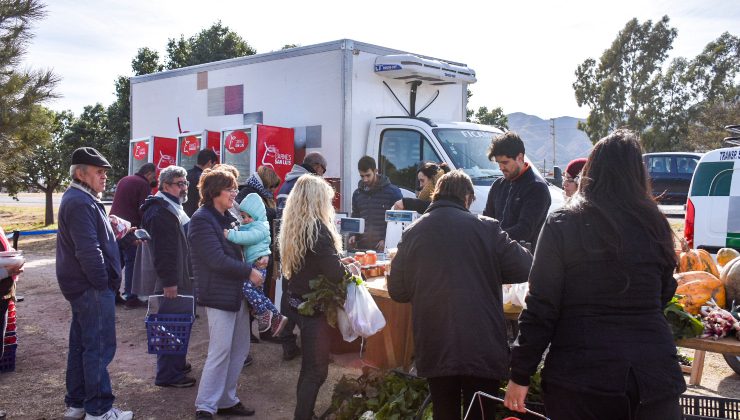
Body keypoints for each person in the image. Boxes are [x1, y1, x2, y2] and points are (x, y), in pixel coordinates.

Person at [504, 129, 686, 420]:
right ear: (638, 175)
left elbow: (541, 305)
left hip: (583, 378)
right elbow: (665, 291)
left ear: (591, 171)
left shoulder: (564, 222)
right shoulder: (656, 224)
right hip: (654, 377)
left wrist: (520, 374)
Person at [387, 170, 532, 420]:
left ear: (436, 195)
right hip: (481, 344)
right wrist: (490, 271)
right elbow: (525, 266)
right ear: (467, 198)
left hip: (435, 343)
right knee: (480, 413)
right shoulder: (486, 228)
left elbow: (398, 291)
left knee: (444, 412)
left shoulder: (413, 232)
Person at [56, 147, 133, 420]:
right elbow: (88, 251)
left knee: (82, 345)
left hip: (84, 287)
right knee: (99, 347)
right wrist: (104, 283)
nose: (104, 178)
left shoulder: (82, 199)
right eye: (99, 172)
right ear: (81, 173)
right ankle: (99, 410)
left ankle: (78, 404)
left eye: (104, 173)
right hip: (90, 287)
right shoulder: (79, 201)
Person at [278, 174, 353, 420]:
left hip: (297, 303)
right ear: (316, 200)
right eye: (327, 200)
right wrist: (348, 269)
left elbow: (314, 263)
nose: (329, 205)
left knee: (309, 367)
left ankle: (305, 414)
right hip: (313, 310)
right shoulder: (318, 230)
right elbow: (334, 274)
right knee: (316, 371)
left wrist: (338, 260)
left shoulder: (297, 225)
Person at [189, 167, 262, 420]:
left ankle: (226, 399)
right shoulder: (201, 220)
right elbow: (216, 260)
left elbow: (239, 247)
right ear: (214, 192)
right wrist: (249, 272)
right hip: (220, 294)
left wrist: (255, 259)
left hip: (236, 293)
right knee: (220, 351)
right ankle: (205, 407)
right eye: (230, 188)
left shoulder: (227, 217)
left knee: (240, 349)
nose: (235, 193)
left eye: (234, 188)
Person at [135, 165, 196, 388]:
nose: (184, 188)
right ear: (166, 185)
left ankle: (176, 364)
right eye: (180, 184)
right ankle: (168, 374)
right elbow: (164, 251)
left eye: (185, 183)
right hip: (172, 280)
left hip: (180, 275)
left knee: (178, 322)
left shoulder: (171, 206)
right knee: (171, 323)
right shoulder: (161, 212)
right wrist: (170, 283)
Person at [276, 152, 327, 361]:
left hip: (285, 246)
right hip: (303, 251)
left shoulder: (286, 184)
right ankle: (311, 348)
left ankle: (287, 342)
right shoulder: (307, 185)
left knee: (288, 294)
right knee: (307, 298)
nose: (323, 175)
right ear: (316, 167)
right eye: (323, 170)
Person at [226, 193, 288, 336]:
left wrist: (230, 235)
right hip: (256, 263)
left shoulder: (260, 227)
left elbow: (248, 238)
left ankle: (263, 312)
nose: (246, 220)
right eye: (243, 216)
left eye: (249, 216)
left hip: (257, 264)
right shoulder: (250, 225)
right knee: (259, 294)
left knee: (246, 288)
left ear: (257, 215)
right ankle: (276, 316)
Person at [483, 131, 551, 249]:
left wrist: (492, 237)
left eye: (505, 162)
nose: (501, 168)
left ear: (520, 158)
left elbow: (524, 231)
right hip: (495, 258)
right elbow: (486, 221)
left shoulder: (537, 188)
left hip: (523, 261)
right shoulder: (498, 185)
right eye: (499, 163)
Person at [110, 162, 156, 308]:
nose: (154, 180)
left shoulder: (125, 179)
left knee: (116, 262)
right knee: (132, 262)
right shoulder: (143, 184)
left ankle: (112, 294)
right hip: (130, 228)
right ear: (148, 174)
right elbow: (144, 209)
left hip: (114, 226)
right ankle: (131, 297)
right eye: (154, 176)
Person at [349, 156, 402, 251]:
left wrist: (386, 240)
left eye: (368, 175)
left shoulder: (393, 192)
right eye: (362, 176)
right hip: (362, 249)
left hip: (385, 249)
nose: (365, 179)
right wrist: (353, 235)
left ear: (375, 171)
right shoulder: (357, 194)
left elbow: (398, 222)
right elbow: (355, 217)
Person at [184, 148, 218, 217]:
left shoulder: (185, 174)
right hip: (198, 216)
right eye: (214, 165)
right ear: (209, 162)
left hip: (183, 215)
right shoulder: (205, 178)